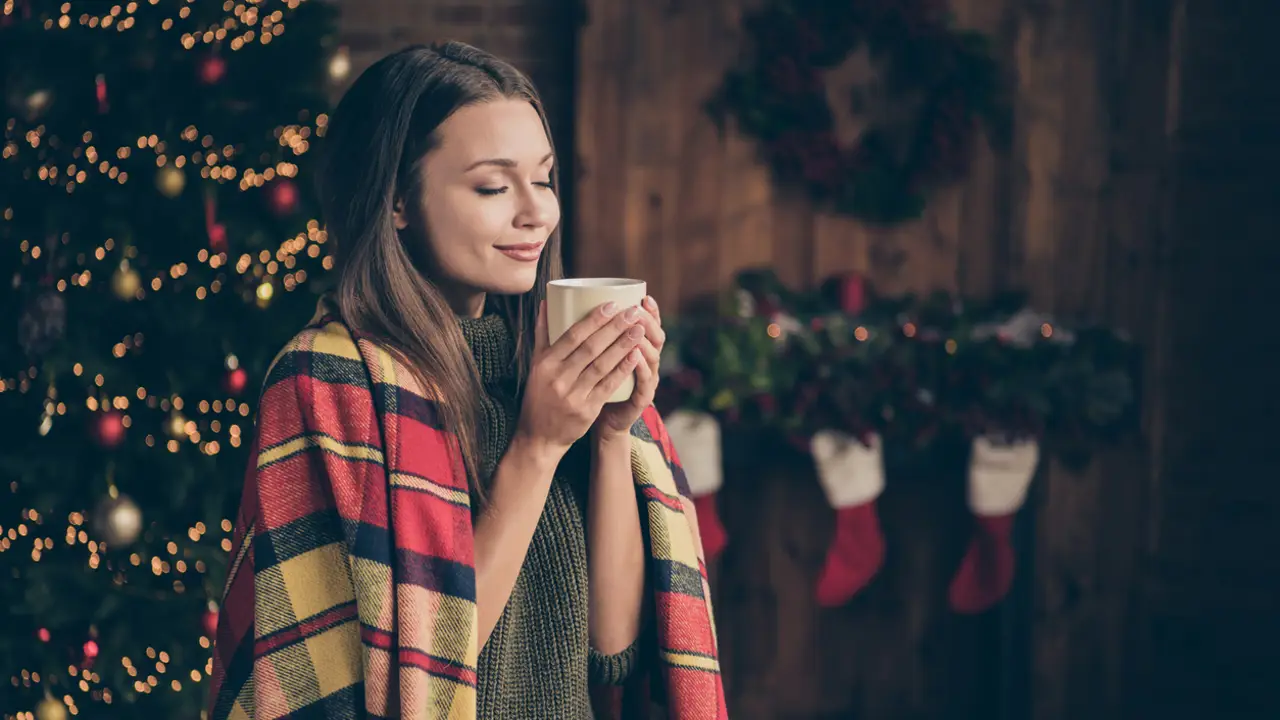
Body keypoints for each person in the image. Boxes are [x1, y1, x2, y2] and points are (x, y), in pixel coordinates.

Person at [206, 42, 726, 720]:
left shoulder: (544, 364)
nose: (537, 213)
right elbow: (413, 682)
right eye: (492, 186)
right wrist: (537, 448)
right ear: (396, 202)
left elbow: (613, 649)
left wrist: (609, 433)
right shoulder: (327, 381)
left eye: (544, 180)